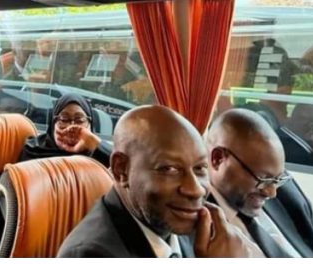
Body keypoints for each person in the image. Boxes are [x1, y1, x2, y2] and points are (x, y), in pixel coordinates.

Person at [58, 105, 251, 258]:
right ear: (121, 170)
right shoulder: (91, 254)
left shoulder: (192, 229)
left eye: (200, 168)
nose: (196, 190)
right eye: (169, 169)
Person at [206, 108, 313, 257]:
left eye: (278, 179)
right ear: (218, 159)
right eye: (264, 179)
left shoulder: (286, 191)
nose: (272, 192)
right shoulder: (194, 224)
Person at [18, 93, 104, 164]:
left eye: (79, 120)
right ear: (53, 124)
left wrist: (96, 144)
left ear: (90, 124)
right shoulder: (34, 151)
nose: (71, 127)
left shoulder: (98, 155)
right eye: (64, 119)